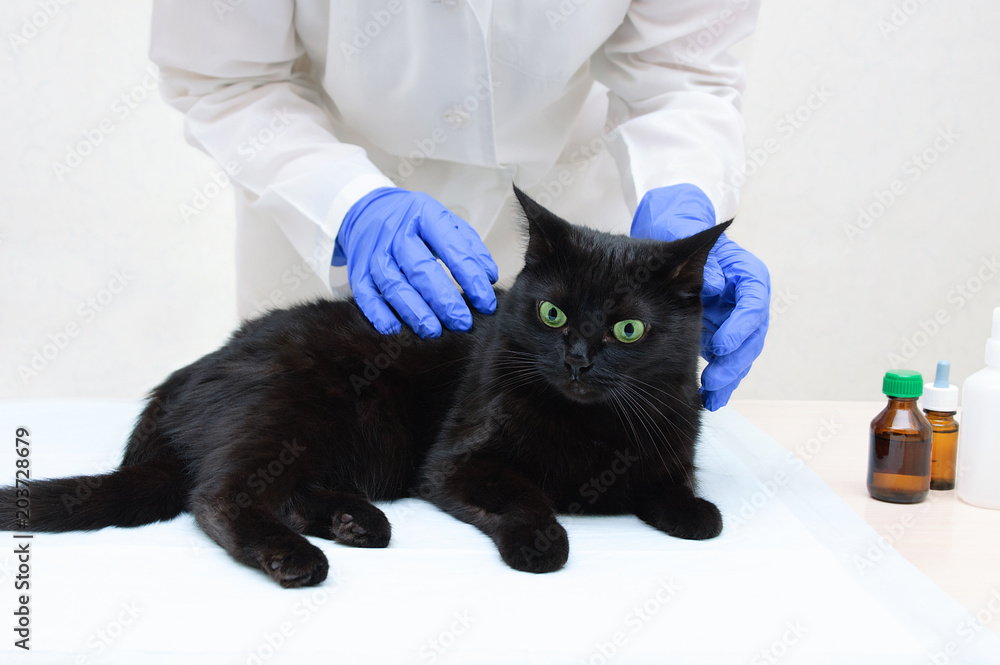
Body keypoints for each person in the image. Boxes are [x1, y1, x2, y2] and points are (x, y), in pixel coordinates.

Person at [149, 0, 769, 410]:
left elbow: (682, 68)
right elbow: (224, 76)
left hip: (561, 223)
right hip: (325, 195)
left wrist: (683, 196)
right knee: (311, 449)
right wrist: (348, 204)